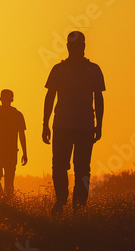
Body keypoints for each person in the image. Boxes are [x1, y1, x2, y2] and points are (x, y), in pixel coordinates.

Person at [43, 31, 104, 214]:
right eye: (73, 46)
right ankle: (61, 200)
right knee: (59, 166)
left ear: (84, 46)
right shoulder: (58, 70)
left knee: (82, 168)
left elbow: (99, 98)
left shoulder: (93, 70)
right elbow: (50, 97)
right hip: (62, 126)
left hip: (85, 126)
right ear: (68, 47)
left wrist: (99, 125)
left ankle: (79, 206)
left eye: (79, 46)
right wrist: (45, 124)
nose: (76, 49)